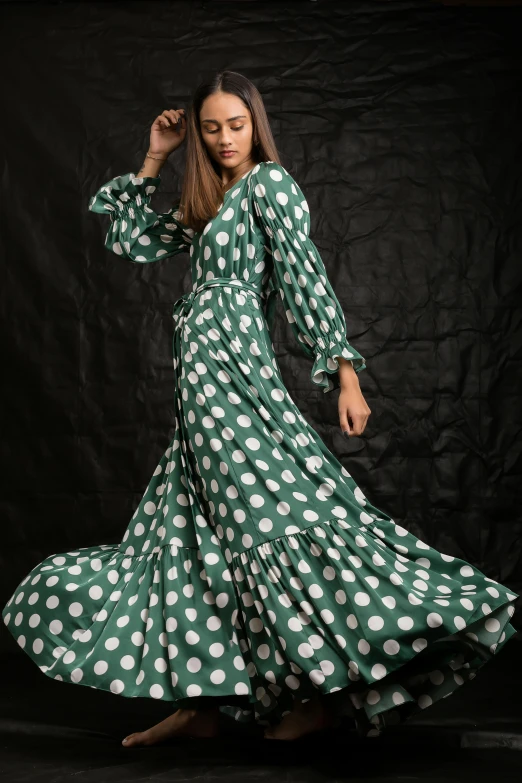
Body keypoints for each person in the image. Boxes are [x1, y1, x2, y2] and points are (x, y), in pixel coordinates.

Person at [2, 71, 519, 749]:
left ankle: (326, 696)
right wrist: (157, 155)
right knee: (196, 533)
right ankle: (204, 704)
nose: (223, 140)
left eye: (235, 125)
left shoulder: (268, 186)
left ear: (256, 124)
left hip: (233, 379)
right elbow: (132, 242)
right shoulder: (214, 200)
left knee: (269, 519)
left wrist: (345, 372)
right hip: (200, 387)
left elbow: (304, 275)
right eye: (210, 128)